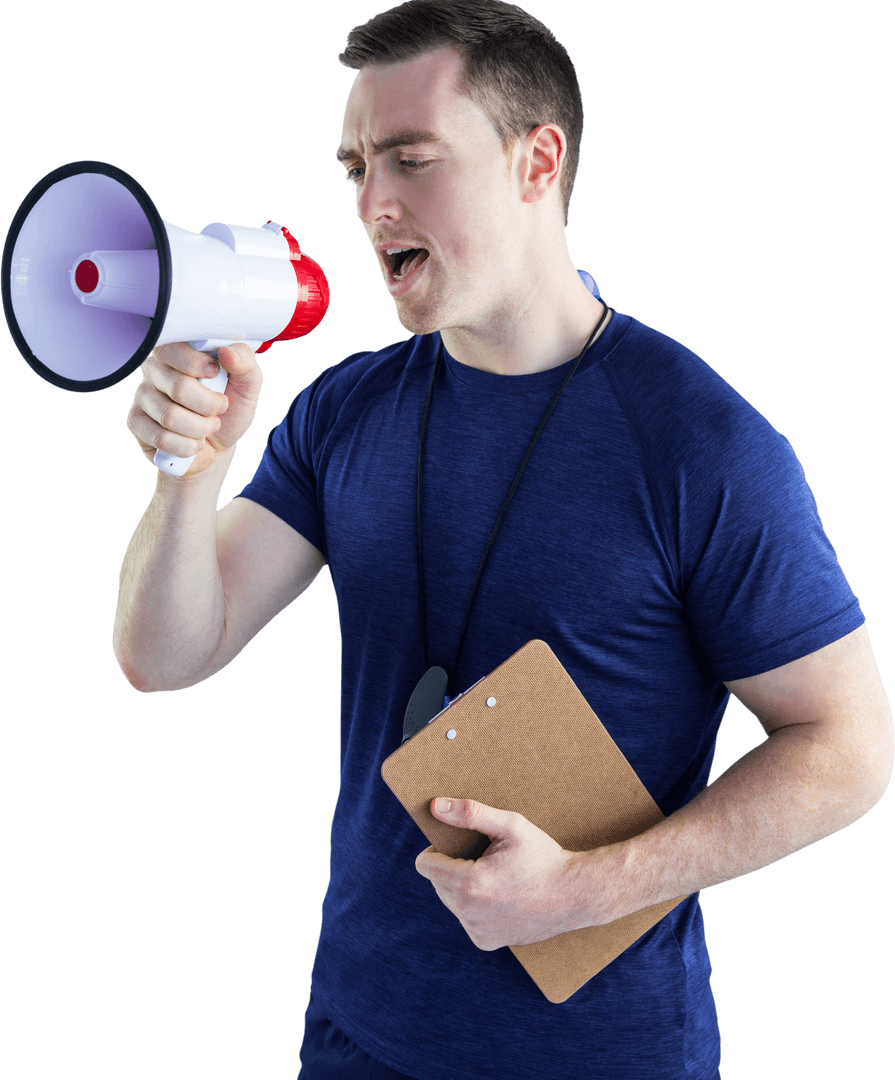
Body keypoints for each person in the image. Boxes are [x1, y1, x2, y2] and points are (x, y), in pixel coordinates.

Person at [113, 1, 893, 1077]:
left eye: (411, 160)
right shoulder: (345, 410)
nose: (371, 204)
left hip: (605, 1054)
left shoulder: (701, 444)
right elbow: (164, 655)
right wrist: (186, 474)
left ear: (538, 162)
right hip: (355, 1033)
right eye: (354, 169)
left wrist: (583, 888)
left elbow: (850, 751)